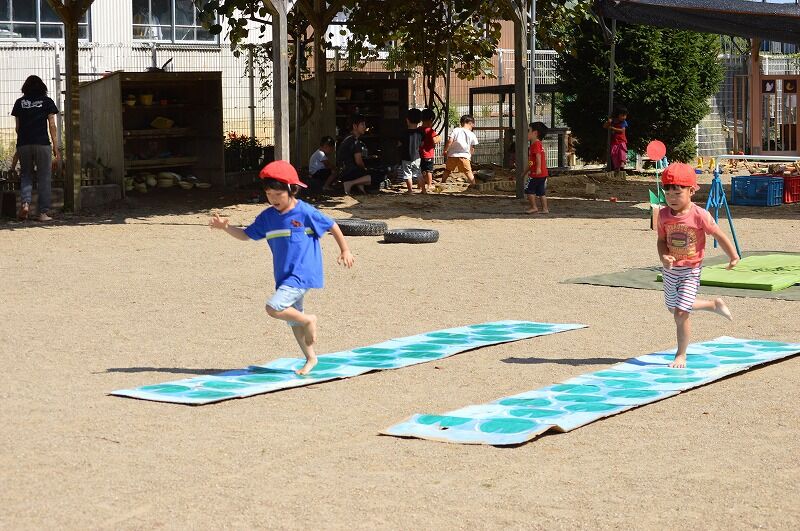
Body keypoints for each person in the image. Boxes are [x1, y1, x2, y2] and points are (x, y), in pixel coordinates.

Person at [208, 160, 355, 375]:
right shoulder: (267, 217)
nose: (274, 199)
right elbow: (246, 235)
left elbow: (331, 224)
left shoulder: (305, 212)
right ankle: (311, 358)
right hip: (284, 276)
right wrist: (226, 227)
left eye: (278, 194)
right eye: (269, 195)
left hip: (303, 273)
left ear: (291, 190)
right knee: (293, 321)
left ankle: (309, 320)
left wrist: (345, 250)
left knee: (274, 308)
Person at [657, 162, 739, 369]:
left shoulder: (699, 214)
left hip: (690, 270)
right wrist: (664, 256)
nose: (672, 198)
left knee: (680, 313)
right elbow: (661, 240)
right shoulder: (663, 215)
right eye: (668, 194)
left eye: (678, 193)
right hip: (670, 270)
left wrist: (733, 255)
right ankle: (713, 305)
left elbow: (718, 234)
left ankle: (681, 354)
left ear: (691, 191)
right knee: (673, 308)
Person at [12, 75, 60, 222]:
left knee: (26, 174)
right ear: (42, 87)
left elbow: (18, 128)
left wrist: (22, 142)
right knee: (44, 177)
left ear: (25, 88)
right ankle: (43, 213)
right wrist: (55, 146)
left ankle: (25, 204)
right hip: (42, 143)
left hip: (24, 144)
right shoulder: (47, 101)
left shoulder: (19, 103)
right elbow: (52, 125)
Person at [336, 114, 373, 195]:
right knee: (375, 176)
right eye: (362, 124)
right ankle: (349, 184)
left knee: (362, 172)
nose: (364, 127)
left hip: (342, 172)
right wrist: (365, 169)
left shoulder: (347, 138)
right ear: (355, 126)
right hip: (348, 172)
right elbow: (359, 161)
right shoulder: (355, 141)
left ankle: (361, 190)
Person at [441, 114, 478, 186]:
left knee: (447, 170)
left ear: (461, 123)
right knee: (468, 171)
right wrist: (470, 155)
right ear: (471, 123)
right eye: (473, 125)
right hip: (464, 156)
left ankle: (443, 182)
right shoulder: (472, 134)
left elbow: (450, 141)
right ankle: (473, 184)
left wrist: (445, 150)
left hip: (453, 155)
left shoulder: (456, 130)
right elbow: (472, 147)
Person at [524, 122, 550, 214]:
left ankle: (534, 207)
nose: (527, 133)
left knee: (529, 190)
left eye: (529, 131)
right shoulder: (539, 144)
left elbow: (538, 156)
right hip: (543, 174)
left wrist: (538, 168)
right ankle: (545, 209)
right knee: (541, 192)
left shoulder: (535, 145)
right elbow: (531, 162)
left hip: (536, 174)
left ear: (535, 133)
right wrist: (525, 172)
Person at [397, 108, 423, 194]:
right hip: (417, 157)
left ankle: (410, 190)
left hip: (406, 157)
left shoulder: (403, 133)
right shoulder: (420, 132)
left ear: (407, 120)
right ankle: (423, 190)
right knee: (418, 173)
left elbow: (399, 144)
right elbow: (422, 144)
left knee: (407, 174)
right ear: (419, 121)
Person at [418, 108, 440, 194]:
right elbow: (435, 140)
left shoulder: (418, 129)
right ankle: (429, 184)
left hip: (419, 154)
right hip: (428, 154)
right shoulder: (430, 131)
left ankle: (420, 185)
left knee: (421, 170)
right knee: (429, 170)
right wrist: (439, 138)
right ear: (431, 120)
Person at [603, 105, 628, 174]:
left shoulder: (623, 122)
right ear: (617, 115)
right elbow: (604, 126)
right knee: (614, 154)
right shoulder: (613, 121)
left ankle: (622, 163)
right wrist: (608, 122)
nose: (624, 117)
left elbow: (622, 131)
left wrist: (613, 128)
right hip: (614, 141)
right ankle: (617, 167)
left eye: (625, 115)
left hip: (621, 140)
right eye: (622, 115)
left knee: (622, 151)